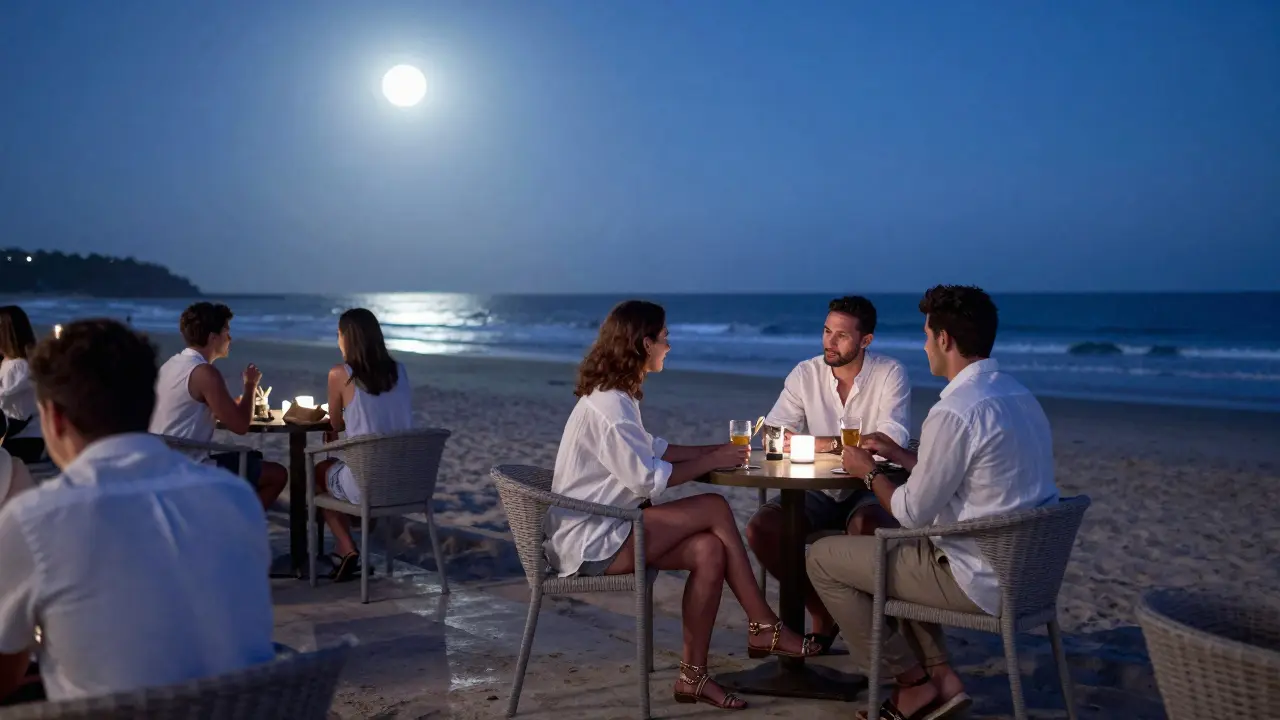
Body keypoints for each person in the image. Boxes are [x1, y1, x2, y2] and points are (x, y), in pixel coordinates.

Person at [545, 300, 818, 712]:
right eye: (664, 338)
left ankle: (694, 677)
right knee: (713, 506)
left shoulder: (616, 398)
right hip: (592, 540)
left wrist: (718, 451)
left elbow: (658, 450)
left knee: (709, 550)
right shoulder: (611, 408)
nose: (669, 346)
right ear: (643, 343)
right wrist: (710, 462)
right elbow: (645, 477)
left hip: (611, 526)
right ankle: (763, 624)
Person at [806, 285, 1060, 720]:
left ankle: (912, 684)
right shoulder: (1019, 396)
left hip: (976, 577)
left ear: (945, 340)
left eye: (927, 336)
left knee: (823, 558)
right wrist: (903, 456)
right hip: (1029, 573)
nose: (925, 346)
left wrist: (867, 470)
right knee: (895, 550)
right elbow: (974, 469)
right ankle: (942, 679)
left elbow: (910, 510)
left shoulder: (956, 410)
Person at [0, 319, 275, 702]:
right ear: (147, 403)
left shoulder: (34, 519)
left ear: (54, 418)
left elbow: (5, 676)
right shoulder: (236, 497)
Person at [745, 295, 911, 654]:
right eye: (826, 331)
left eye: (841, 336)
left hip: (869, 485)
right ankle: (822, 613)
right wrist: (840, 446)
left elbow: (888, 441)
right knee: (762, 530)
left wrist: (815, 443)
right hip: (817, 490)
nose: (829, 342)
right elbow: (773, 433)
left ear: (866, 340)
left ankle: (876, 635)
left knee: (867, 530)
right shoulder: (805, 374)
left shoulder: (890, 373)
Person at [148, 302, 287, 510]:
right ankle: (239, 527)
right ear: (213, 338)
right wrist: (250, 386)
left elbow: (187, 409)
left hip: (162, 464)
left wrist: (231, 405)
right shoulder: (204, 372)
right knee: (277, 474)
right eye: (226, 332)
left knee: (252, 459)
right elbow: (240, 426)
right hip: (189, 469)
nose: (230, 339)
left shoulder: (172, 365)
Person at [314, 308, 414, 582]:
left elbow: (335, 423)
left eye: (338, 335)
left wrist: (341, 421)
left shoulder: (340, 374)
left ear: (348, 338)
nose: (337, 341)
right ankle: (343, 548)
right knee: (347, 477)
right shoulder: (400, 371)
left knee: (317, 472)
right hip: (406, 482)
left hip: (367, 481)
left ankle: (346, 548)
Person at [0, 306, 45, 464]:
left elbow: (2, 397)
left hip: (22, 440)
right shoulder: (10, 363)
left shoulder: (19, 366)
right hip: (15, 437)